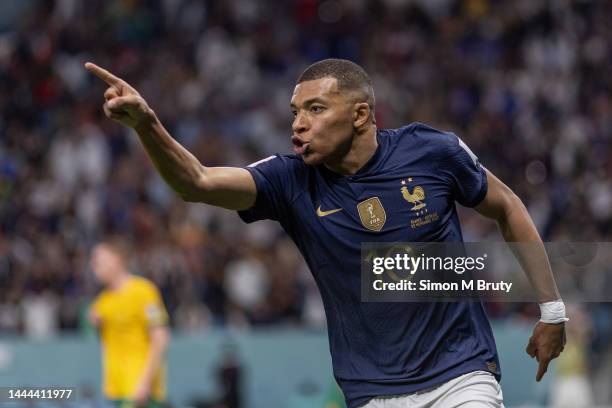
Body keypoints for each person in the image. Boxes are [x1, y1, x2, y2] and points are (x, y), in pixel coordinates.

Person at [85, 58, 566, 408]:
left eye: (314, 109)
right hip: (370, 393)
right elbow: (197, 182)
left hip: (462, 378)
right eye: (295, 111)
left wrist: (552, 310)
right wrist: (147, 125)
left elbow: (507, 206)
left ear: (360, 115)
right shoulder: (290, 179)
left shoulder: (432, 152)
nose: (298, 125)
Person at [88, 237, 171, 408]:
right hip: (118, 391)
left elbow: (161, 337)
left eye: (98, 260)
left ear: (117, 260)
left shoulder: (144, 291)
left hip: (141, 392)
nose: (94, 266)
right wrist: (97, 326)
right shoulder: (103, 302)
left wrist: (144, 383)